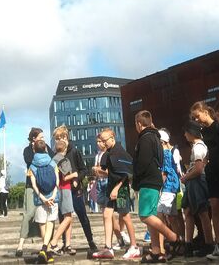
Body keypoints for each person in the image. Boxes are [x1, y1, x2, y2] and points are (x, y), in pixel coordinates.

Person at [132, 111, 183, 263]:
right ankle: (157, 251)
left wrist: (136, 181)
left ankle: (174, 238)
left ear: (139, 124)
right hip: (155, 180)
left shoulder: (145, 139)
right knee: (152, 216)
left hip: (147, 180)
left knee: (145, 215)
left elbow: (143, 163)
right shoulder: (155, 137)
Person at [190, 101, 219, 259]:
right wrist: (206, 161)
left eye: (197, 116)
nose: (196, 120)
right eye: (194, 118)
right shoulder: (204, 131)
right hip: (212, 171)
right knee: (214, 207)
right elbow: (210, 150)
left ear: (204, 111)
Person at [94, 128, 140, 260]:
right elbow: (111, 172)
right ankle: (108, 248)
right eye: (101, 141)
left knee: (125, 216)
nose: (103, 143)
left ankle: (134, 246)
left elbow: (127, 174)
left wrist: (117, 188)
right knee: (107, 214)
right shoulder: (108, 153)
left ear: (112, 138)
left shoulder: (120, 153)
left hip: (121, 190)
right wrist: (100, 172)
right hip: (111, 188)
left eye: (105, 140)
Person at [54, 126, 98, 253]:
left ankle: (90, 241)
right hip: (63, 190)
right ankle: (65, 244)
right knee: (63, 218)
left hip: (75, 189)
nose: (59, 140)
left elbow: (84, 169)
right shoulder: (57, 154)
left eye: (60, 137)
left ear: (66, 137)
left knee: (82, 215)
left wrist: (77, 179)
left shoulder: (74, 151)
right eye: (56, 138)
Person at [17, 128, 54, 258]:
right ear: (34, 138)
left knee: (47, 217)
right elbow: (29, 162)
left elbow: (52, 159)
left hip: (45, 186)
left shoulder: (46, 147)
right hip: (31, 186)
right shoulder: (27, 150)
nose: (43, 139)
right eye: (41, 137)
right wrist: (36, 150)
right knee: (29, 214)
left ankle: (47, 247)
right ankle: (20, 245)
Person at [180, 120, 214, 257]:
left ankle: (208, 244)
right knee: (189, 211)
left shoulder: (198, 147)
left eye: (186, 132)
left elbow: (199, 169)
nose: (184, 135)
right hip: (195, 182)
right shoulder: (199, 146)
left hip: (197, 182)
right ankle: (189, 243)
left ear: (191, 133)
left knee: (202, 213)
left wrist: (186, 177)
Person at [28, 137, 60, 264]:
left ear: (34, 149)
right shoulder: (53, 163)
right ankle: (46, 250)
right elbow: (57, 181)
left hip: (40, 199)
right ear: (46, 149)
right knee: (51, 222)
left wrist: (42, 198)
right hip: (53, 198)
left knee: (42, 224)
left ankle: (45, 251)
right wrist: (53, 196)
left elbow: (34, 186)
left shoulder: (32, 166)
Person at [47, 133, 78, 255]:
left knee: (67, 216)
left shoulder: (53, 159)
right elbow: (65, 178)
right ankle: (54, 242)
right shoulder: (63, 160)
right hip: (65, 189)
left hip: (57, 190)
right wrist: (75, 175)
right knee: (69, 217)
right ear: (65, 149)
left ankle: (68, 244)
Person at [157, 129, 185, 253]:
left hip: (168, 187)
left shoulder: (165, 153)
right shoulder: (168, 152)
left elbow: (164, 172)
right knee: (173, 216)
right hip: (173, 187)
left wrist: (159, 187)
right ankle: (178, 242)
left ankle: (167, 244)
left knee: (161, 216)